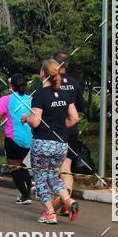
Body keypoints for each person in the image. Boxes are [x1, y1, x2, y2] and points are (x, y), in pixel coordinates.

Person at [21, 59, 80, 224]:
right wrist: (60, 127)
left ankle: (49, 213)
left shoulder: (40, 94)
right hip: (61, 144)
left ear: (44, 73)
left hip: (42, 142)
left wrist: (26, 118)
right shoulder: (65, 95)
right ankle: (69, 200)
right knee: (53, 177)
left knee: (40, 178)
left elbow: (35, 122)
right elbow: (75, 118)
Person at [52, 51, 85, 212]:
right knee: (68, 167)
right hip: (72, 130)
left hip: (56, 131)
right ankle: (66, 203)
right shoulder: (75, 83)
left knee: (58, 169)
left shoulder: (51, 83)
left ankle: (65, 201)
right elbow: (81, 107)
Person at [0, 73, 33, 204]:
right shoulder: (31, 99)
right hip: (28, 139)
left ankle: (25, 195)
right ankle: (29, 189)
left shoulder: (5, 99)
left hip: (13, 138)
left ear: (11, 86)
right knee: (19, 164)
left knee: (13, 167)